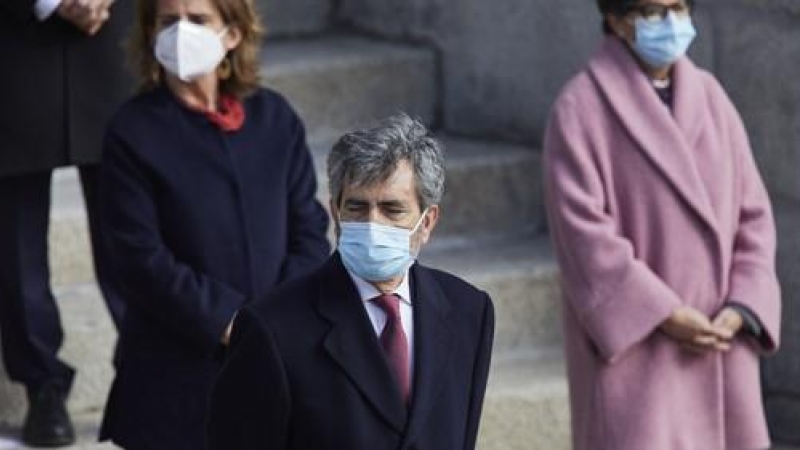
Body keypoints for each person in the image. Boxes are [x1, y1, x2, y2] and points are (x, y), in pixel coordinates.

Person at [543, 1, 781, 449]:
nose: (671, 24)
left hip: (721, 340)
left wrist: (743, 304)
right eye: (654, 12)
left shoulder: (712, 98)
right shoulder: (580, 108)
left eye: (679, 8)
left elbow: (754, 216)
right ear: (615, 19)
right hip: (640, 352)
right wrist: (665, 314)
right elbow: (585, 239)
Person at [97, 0, 330, 448]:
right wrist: (231, 321)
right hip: (176, 374)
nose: (182, 32)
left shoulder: (275, 118)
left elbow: (309, 230)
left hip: (275, 361)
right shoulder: (132, 131)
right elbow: (140, 257)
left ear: (233, 34)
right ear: (149, 33)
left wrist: (276, 320)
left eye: (199, 20)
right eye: (168, 21)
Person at [207, 114, 495, 450]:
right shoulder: (272, 328)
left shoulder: (468, 311)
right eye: (356, 207)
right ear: (335, 211)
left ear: (427, 221)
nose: (372, 223)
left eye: (392, 209)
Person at [0, 0, 131, 446]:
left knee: (131, 228)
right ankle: (42, 385)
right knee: (16, 239)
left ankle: (147, 368)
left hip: (115, 36)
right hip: (14, 38)